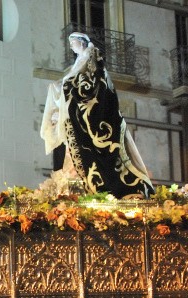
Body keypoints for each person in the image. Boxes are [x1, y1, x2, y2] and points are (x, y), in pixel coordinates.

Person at [40, 32, 154, 198]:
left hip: (92, 110)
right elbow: (74, 80)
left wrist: (69, 87)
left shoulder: (92, 56)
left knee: (86, 137)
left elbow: (95, 82)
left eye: (73, 43)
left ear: (81, 42)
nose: (71, 46)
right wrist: (62, 87)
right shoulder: (80, 60)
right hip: (79, 108)